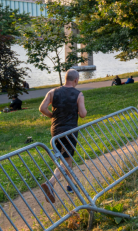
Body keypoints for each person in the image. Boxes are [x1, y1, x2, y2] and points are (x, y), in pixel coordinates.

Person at [39, 69, 87, 203]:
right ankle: (51, 182)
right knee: (66, 161)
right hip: (70, 131)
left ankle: (70, 186)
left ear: (66, 78)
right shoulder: (78, 94)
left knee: (65, 159)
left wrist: (53, 116)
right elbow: (82, 114)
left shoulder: (53, 92)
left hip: (55, 130)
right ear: (76, 80)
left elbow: (42, 108)